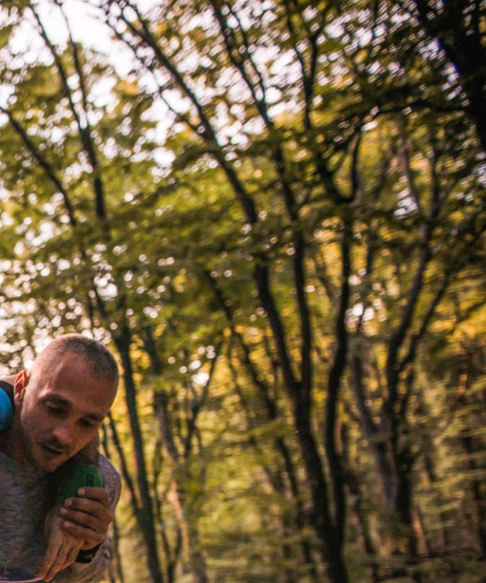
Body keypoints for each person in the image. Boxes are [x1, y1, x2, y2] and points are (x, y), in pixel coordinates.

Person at [0, 334, 122, 583]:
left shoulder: (99, 484)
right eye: (54, 409)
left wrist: (86, 549)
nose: (64, 436)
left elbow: (85, 577)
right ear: (21, 388)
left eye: (86, 423)